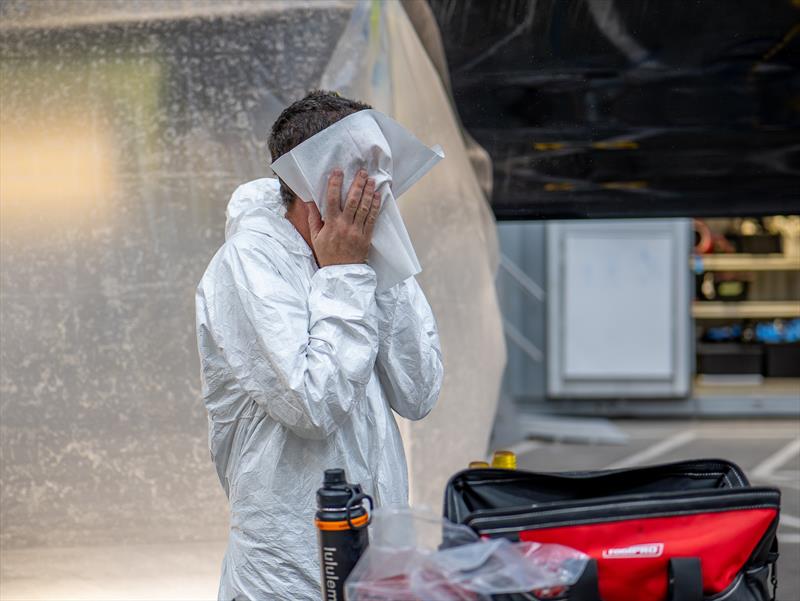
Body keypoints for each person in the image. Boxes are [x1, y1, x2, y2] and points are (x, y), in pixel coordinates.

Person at [195, 90, 444, 601]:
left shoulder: (363, 254)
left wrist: (376, 265)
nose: (381, 190)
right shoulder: (247, 264)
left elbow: (419, 392)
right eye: (365, 174)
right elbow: (313, 402)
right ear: (319, 181)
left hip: (377, 564)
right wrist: (348, 273)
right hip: (287, 573)